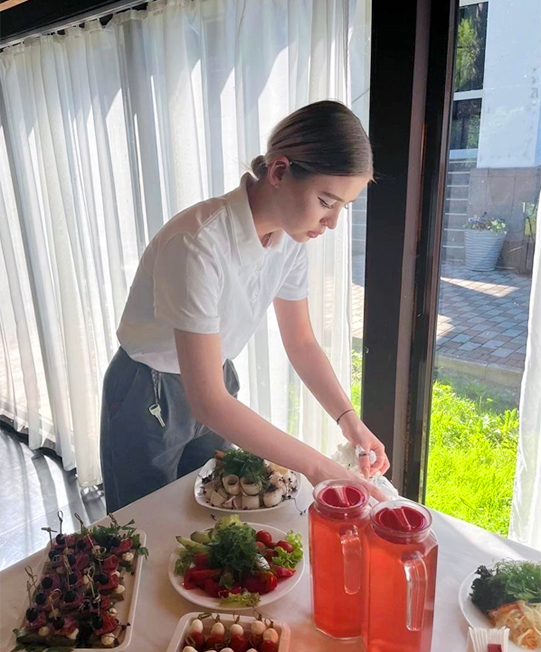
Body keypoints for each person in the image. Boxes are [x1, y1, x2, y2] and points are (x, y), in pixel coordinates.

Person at [100, 99, 390, 511]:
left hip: (214, 378)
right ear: (279, 172)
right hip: (148, 390)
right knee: (144, 524)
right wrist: (320, 467)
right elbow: (208, 402)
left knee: (209, 514)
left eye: (344, 206)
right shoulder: (197, 243)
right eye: (327, 202)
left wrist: (350, 422)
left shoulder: (290, 239)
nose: (332, 223)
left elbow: (302, 342)